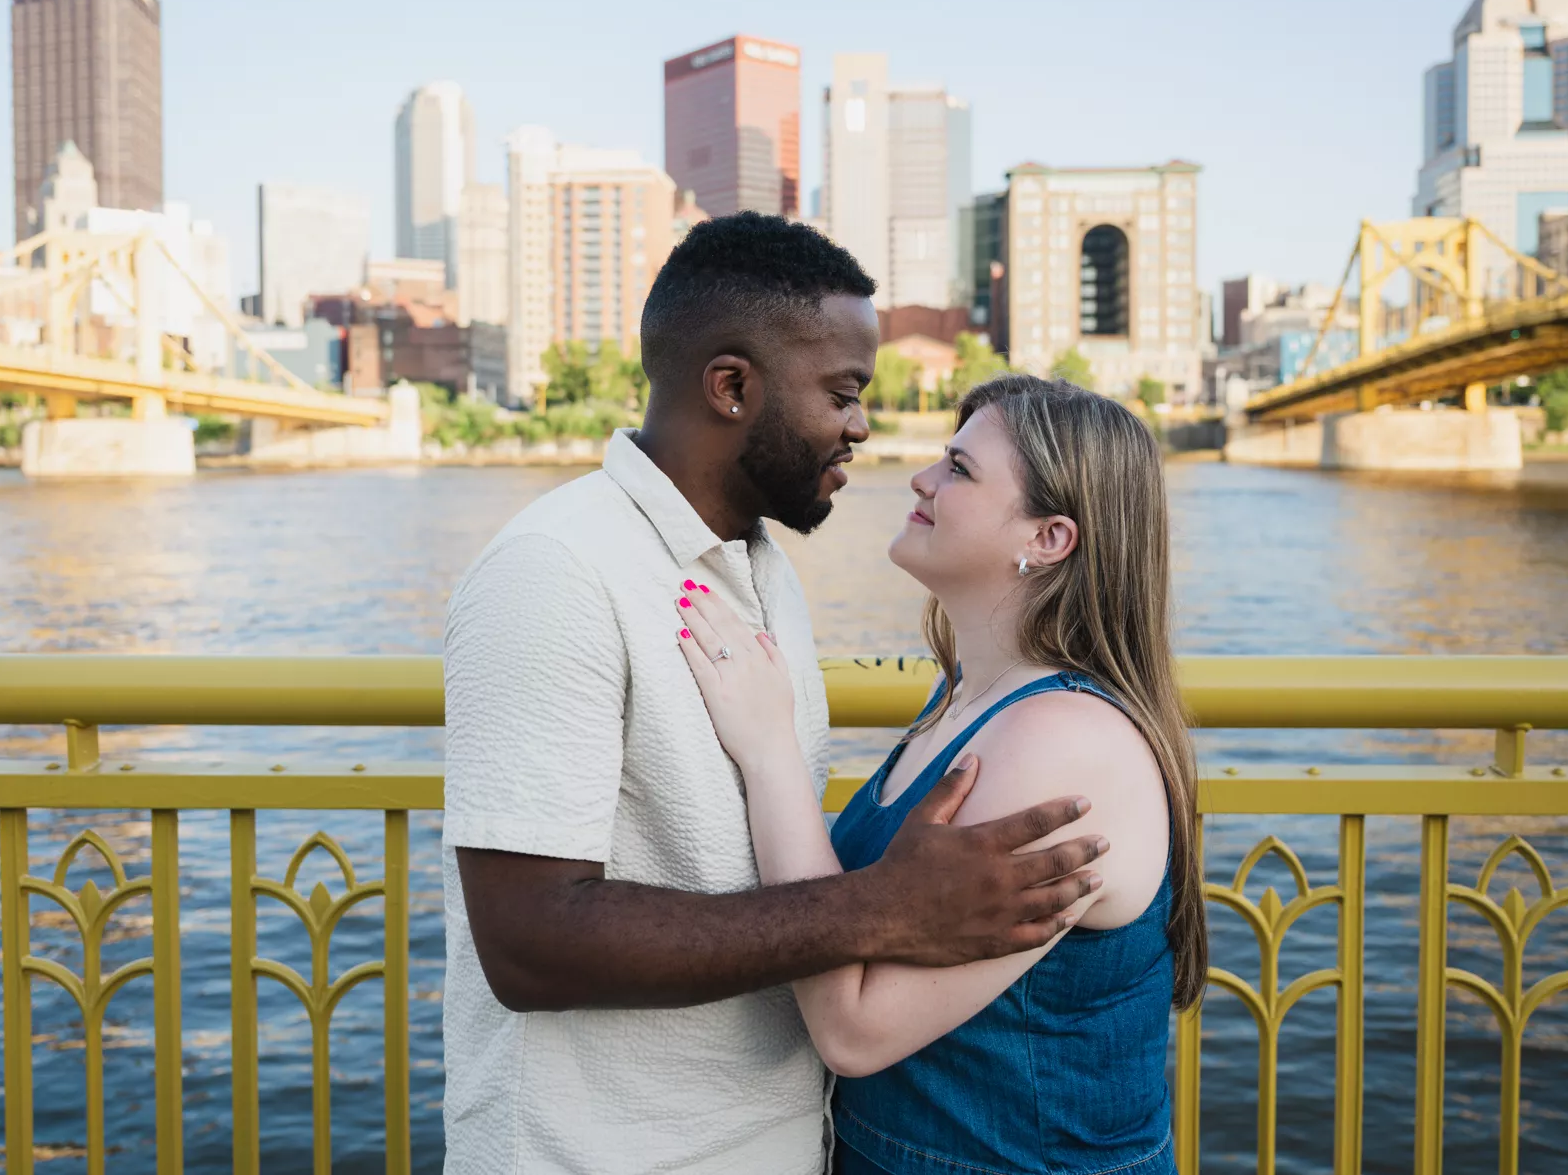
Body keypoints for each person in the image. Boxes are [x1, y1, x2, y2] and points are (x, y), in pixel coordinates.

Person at [441, 214, 1107, 1175]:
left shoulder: (762, 570)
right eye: (843, 392)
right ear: (732, 387)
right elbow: (530, 941)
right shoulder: (555, 571)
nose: (864, 426)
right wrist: (882, 908)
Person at [673, 372, 1207, 1175]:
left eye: (958, 469)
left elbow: (855, 1029)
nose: (921, 479)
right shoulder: (969, 695)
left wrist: (770, 748)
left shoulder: (1060, 741)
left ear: (1049, 538)